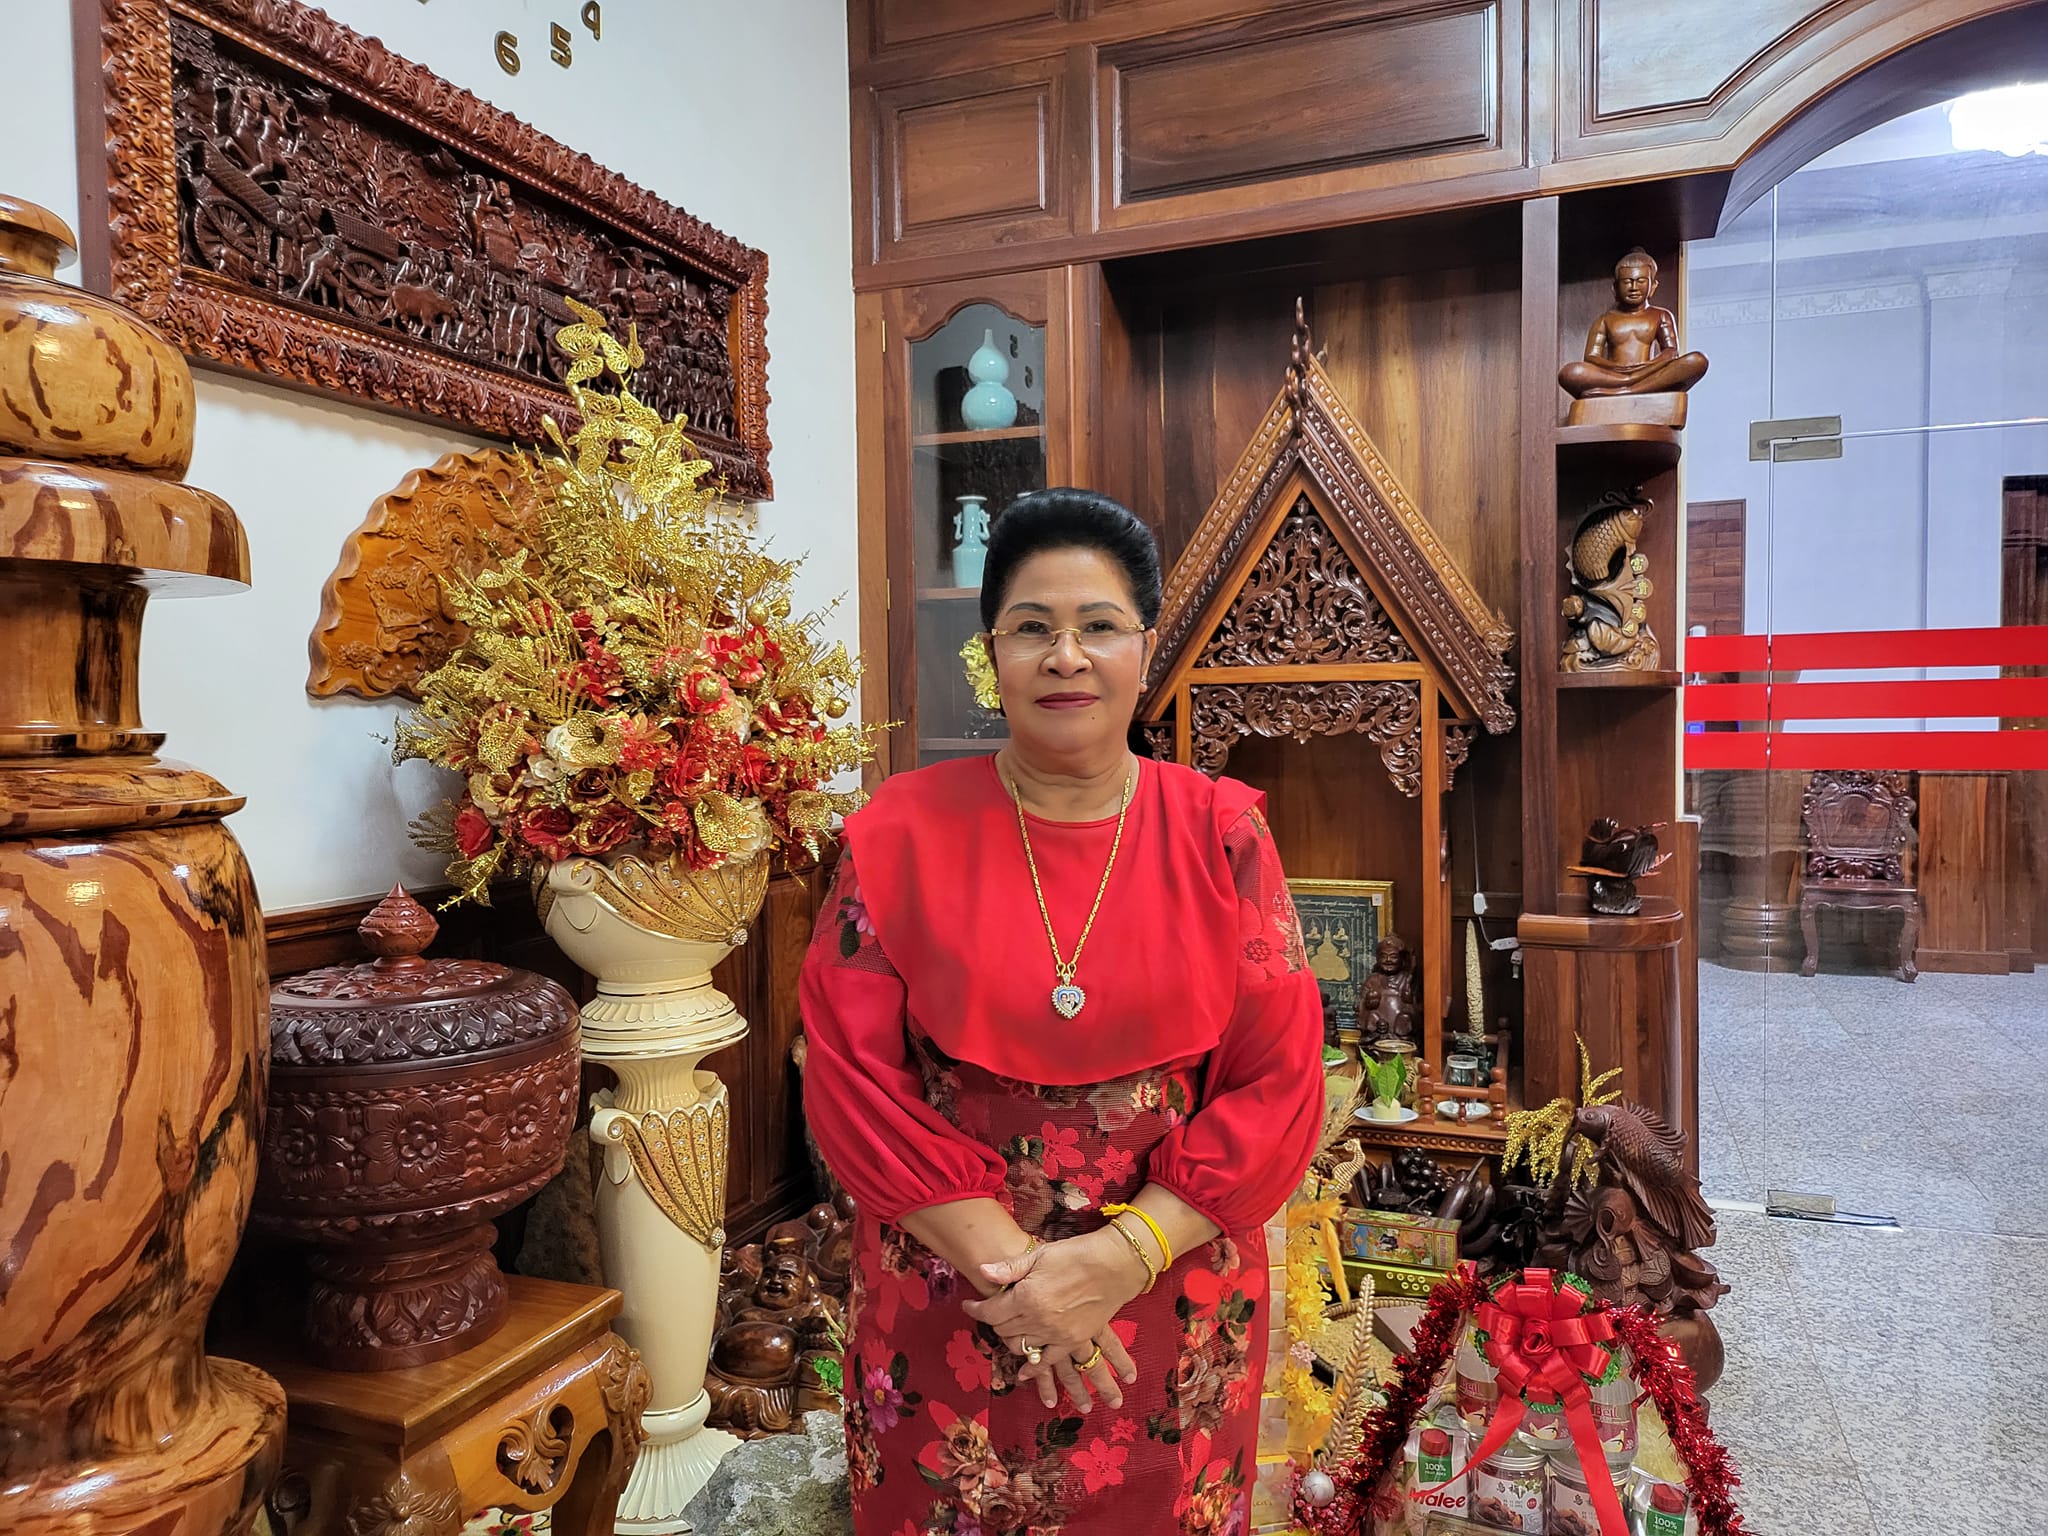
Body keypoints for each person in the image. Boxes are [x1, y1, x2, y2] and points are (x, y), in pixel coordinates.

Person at [800, 488, 1325, 1536]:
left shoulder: (1222, 834)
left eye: (1098, 626)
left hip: (1168, 1303)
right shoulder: (897, 835)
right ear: (990, 655)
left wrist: (1114, 1262)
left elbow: (1277, 1081)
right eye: (1031, 627)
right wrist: (1024, 1282)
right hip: (952, 1295)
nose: (1066, 656)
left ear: (1144, 649)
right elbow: (852, 1081)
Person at [1557, 247, 1709, 398]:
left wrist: (1647, 368)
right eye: (1627, 282)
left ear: (1653, 286)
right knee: (1570, 373)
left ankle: (1627, 391)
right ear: (1615, 288)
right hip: (1614, 375)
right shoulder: (1605, 319)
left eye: (1641, 281)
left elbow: (1671, 352)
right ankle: (1632, 385)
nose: (1634, 288)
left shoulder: (1661, 315)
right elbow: (1591, 357)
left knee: (1697, 361)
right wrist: (1619, 370)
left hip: (1649, 372)